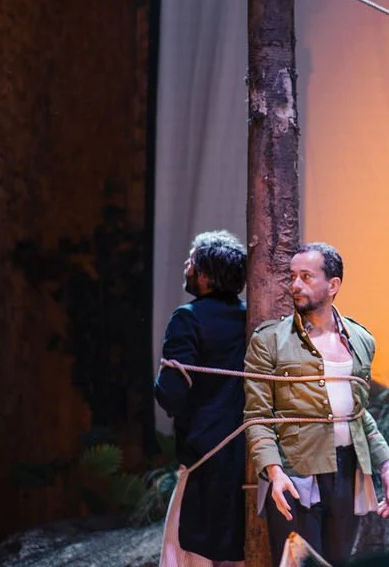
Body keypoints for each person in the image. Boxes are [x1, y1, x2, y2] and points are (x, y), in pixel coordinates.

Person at [244, 243, 389, 565]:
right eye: (292, 276)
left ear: (333, 285)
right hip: (295, 471)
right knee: (299, 560)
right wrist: (274, 471)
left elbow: (359, 413)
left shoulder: (361, 339)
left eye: (306, 276)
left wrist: (386, 465)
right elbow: (257, 416)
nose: (295, 285)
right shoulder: (269, 340)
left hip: (346, 470)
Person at [155, 230, 248, 564]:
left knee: (187, 554)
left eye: (192, 261)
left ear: (206, 275)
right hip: (249, 454)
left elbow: (171, 395)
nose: (186, 266)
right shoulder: (253, 317)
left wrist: (161, 382)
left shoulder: (188, 318)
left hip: (204, 457)